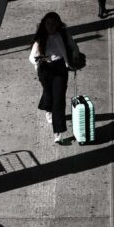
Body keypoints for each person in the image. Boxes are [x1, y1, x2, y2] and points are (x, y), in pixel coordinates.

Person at [29, 12, 79, 144]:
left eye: (53, 23)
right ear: (44, 25)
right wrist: (41, 59)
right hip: (45, 69)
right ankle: (47, 108)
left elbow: (74, 47)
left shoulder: (63, 34)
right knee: (49, 93)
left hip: (60, 67)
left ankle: (58, 132)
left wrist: (74, 57)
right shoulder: (41, 38)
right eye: (48, 23)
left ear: (58, 24)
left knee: (59, 99)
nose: (51, 26)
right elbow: (32, 57)